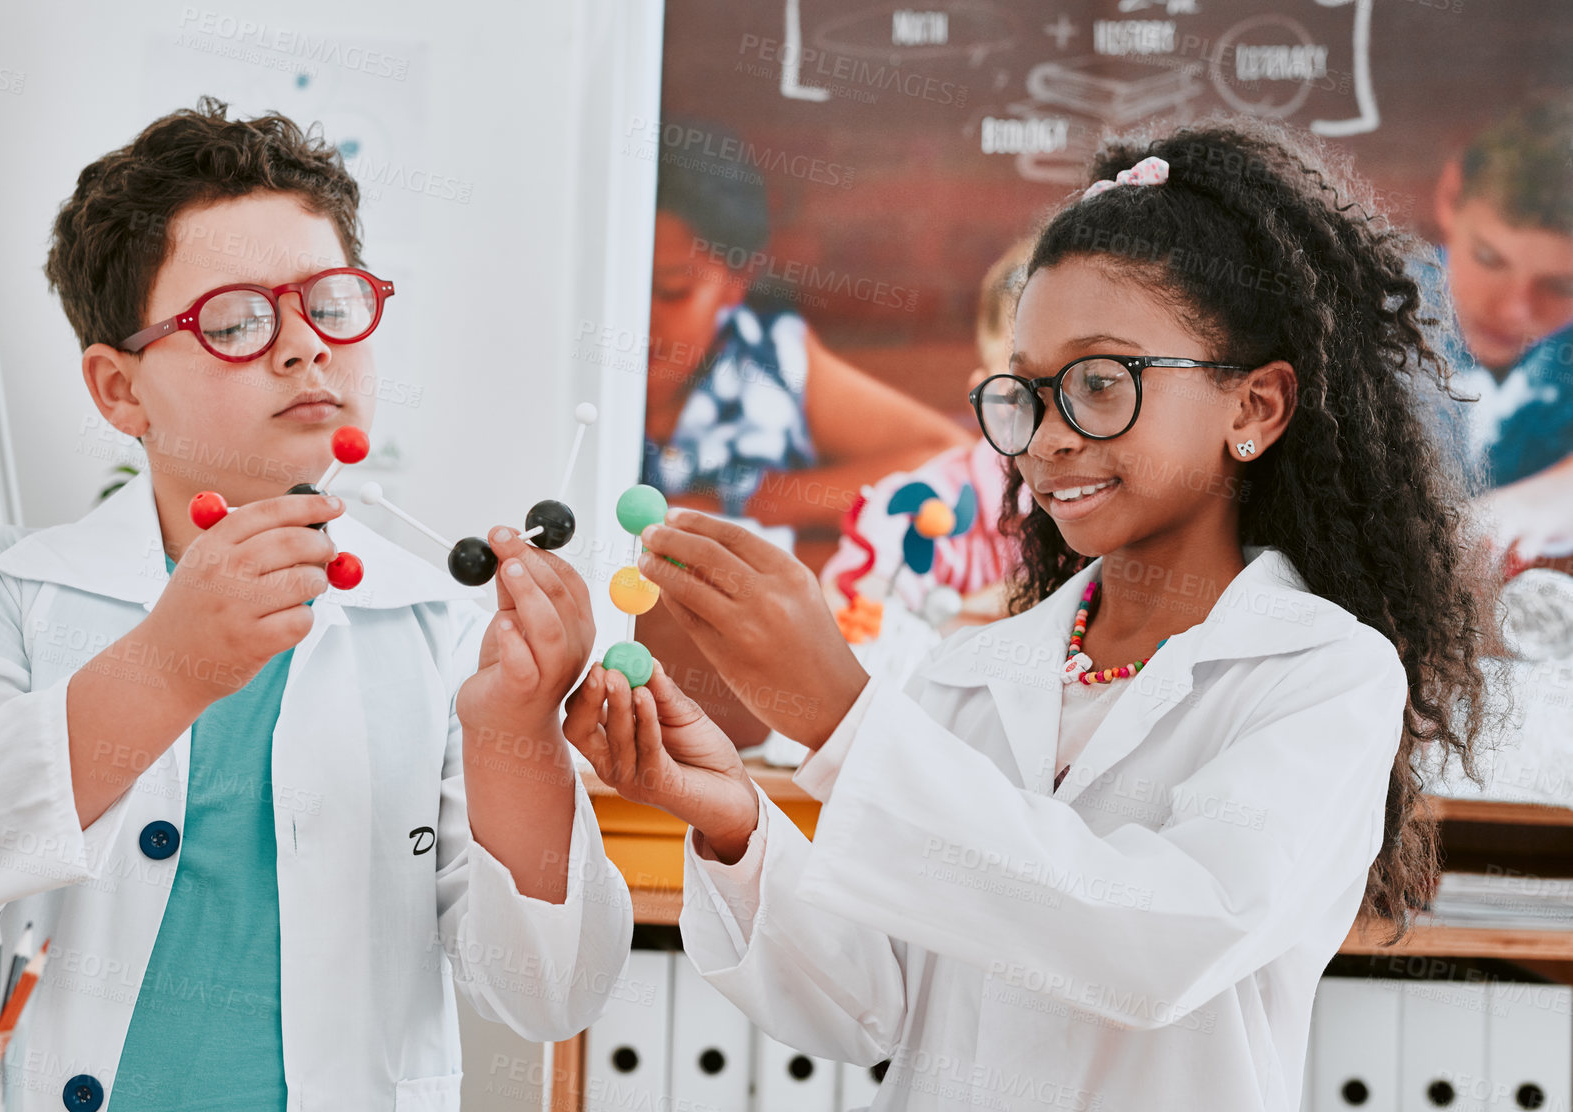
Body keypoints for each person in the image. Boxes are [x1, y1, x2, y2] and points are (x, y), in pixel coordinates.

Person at [567, 119, 1499, 1109]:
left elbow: (1157, 945)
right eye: (1026, 391)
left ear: (1253, 407)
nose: (1049, 436)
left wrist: (842, 716)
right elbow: (864, 1007)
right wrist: (727, 816)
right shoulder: (971, 672)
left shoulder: (1319, 672)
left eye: (1100, 382)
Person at [0, 99, 631, 1110]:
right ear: (119, 391)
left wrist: (518, 734)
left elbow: (548, 991)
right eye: (235, 320)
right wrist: (165, 670)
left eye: (331, 302)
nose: (304, 347)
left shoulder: (442, 627)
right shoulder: (8, 588)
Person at [642, 120, 969, 536]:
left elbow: (950, 456)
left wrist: (752, 502)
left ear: (737, 279)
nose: (643, 317)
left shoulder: (768, 357)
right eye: (619, 289)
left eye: (672, 290)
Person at [820, 238, 1034, 637]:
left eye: (1093, 385)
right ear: (989, 403)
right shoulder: (918, 508)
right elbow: (852, 640)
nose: (1057, 420)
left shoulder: (1145, 513)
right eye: (1022, 392)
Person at [1430, 93, 1573, 563]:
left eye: (1562, 285)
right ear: (1451, 197)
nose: (1515, 311)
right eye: (1489, 259)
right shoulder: (1346, 310)